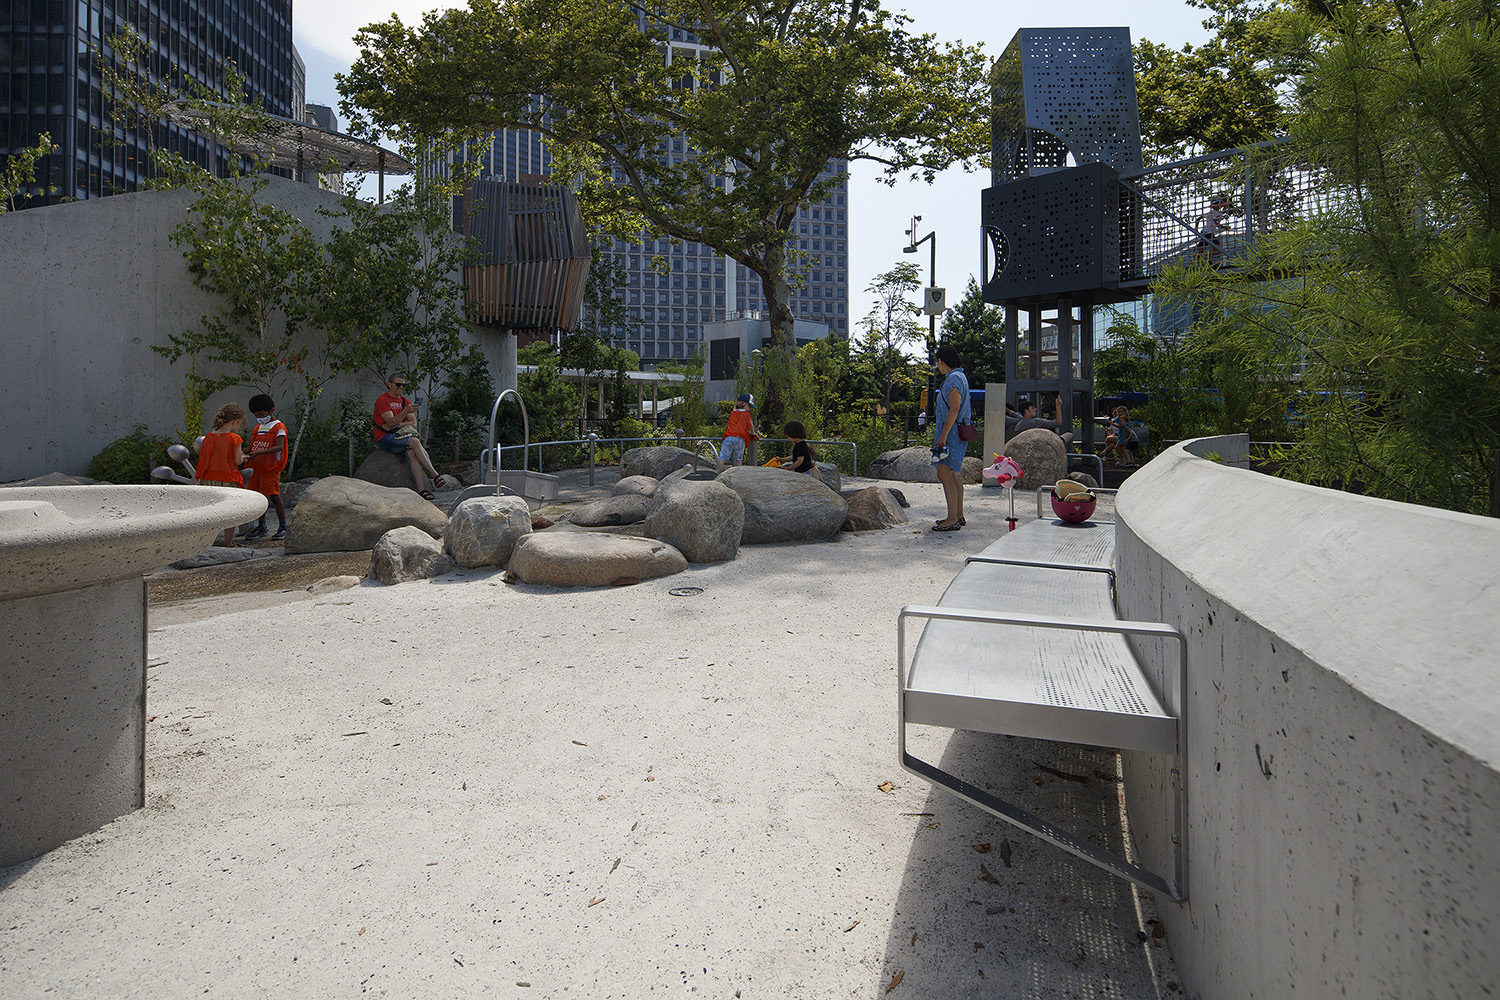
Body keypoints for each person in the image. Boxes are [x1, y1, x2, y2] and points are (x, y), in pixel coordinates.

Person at [373, 374, 450, 501]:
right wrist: (403, 413)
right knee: (414, 441)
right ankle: (435, 475)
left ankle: (422, 490)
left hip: (399, 436)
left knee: (413, 454)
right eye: (398, 384)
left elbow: (412, 424)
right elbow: (390, 422)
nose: (401, 387)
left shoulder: (404, 402)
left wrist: (396, 423)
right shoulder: (383, 400)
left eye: (403, 385)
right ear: (390, 384)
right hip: (384, 438)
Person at [196, 403, 248, 548]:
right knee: (229, 512)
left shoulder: (209, 436)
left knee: (210, 512)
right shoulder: (234, 438)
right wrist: (243, 457)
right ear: (235, 422)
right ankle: (228, 542)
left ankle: (205, 542)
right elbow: (237, 461)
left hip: (207, 479)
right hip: (227, 479)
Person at [930, 345, 970, 531]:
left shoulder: (953, 379)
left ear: (940, 361)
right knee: (954, 474)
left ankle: (952, 518)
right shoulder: (960, 377)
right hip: (955, 433)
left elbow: (954, 408)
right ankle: (958, 515)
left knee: (944, 473)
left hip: (950, 435)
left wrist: (943, 436)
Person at [242, 393, 289, 540]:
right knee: (259, 498)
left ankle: (283, 526)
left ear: (271, 410)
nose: (259, 417)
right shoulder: (257, 428)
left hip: (270, 468)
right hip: (256, 468)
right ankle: (262, 526)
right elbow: (252, 446)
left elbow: (279, 447)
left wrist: (259, 452)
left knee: (274, 496)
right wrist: (241, 450)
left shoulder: (279, 427)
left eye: (262, 414)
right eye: (256, 415)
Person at [718, 393, 758, 468]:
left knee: (722, 457)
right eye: (749, 406)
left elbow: (735, 414)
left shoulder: (733, 413)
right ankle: (738, 473)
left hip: (728, 437)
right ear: (744, 404)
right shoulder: (747, 415)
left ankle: (718, 472)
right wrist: (753, 434)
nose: (750, 408)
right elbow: (751, 425)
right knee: (738, 459)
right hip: (740, 439)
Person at [1197, 194, 1230, 263]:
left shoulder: (1210, 213)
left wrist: (1196, 228)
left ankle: (1199, 261)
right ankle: (1208, 260)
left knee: (1204, 248)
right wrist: (1224, 227)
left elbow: (1199, 218)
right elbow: (1216, 223)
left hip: (1205, 232)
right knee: (1215, 245)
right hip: (1208, 233)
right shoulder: (1217, 214)